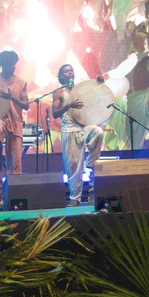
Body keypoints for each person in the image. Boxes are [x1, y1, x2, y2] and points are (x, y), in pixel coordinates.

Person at [52, 64, 104, 207]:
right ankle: (75, 198)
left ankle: (90, 163)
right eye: (66, 71)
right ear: (62, 76)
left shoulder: (80, 89)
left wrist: (99, 81)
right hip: (69, 130)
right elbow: (55, 114)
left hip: (83, 127)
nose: (70, 73)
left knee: (98, 132)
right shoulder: (59, 92)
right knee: (73, 166)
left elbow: (95, 93)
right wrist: (69, 105)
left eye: (71, 70)